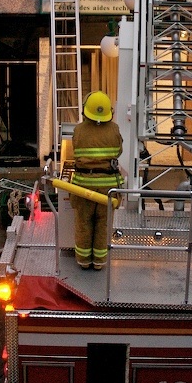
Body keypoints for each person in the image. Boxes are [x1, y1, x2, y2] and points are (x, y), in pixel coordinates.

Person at [70, 91, 123, 270]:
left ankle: (84, 261)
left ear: (86, 110)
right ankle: (99, 262)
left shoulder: (78, 130)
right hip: (108, 189)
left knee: (83, 224)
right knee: (103, 225)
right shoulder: (115, 129)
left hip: (83, 187)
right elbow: (119, 151)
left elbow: (75, 151)